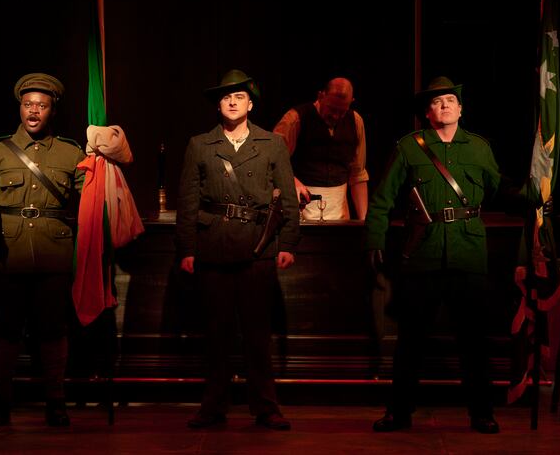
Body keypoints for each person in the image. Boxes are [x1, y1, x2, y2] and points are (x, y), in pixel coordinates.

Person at [365, 76, 504, 434]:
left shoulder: (479, 148)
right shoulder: (410, 147)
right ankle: (399, 412)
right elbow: (381, 201)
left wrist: (536, 193)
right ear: (427, 113)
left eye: (450, 101)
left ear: (461, 109)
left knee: (474, 341)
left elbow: (499, 192)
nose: (444, 106)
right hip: (422, 255)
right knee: (410, 342)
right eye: (437, 102)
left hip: (468, 253)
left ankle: (482, 412)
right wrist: (374, 242)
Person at [176, 69, 300, 430]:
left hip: (256, 247)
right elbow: (188, 200)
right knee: (216, 334)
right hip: (213, 246)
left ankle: (266, 407)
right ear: (218, 104)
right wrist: (187, 247)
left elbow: (287, 199)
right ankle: (212, 407)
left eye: (239, 96)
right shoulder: (200, 144)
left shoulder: (272, 143)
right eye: (226, 97)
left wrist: (288, 242)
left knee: (258, 335)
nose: (232, 101)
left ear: (250, 103)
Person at [0, 72, 86, 427]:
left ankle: (56, 403)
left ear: (52, 110)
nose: (34, 111)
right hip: (8, 252)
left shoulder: (71, 151)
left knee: (52, 330)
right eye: (28, 104)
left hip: (53, 253)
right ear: (20, 107)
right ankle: (1, 402)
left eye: (41, 105)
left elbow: (91, 192)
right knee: (7, 330)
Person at [273, 77, 368, 220]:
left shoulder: (355, 121)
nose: (335, 116)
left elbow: (358, 174)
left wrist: (363, 221)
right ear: (321, 96)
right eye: (331, 109)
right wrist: (291, 180)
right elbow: (272, 162)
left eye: (341, 111)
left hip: (340, 210)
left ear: (351, 103)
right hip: (301, 209)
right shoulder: (295, 119)